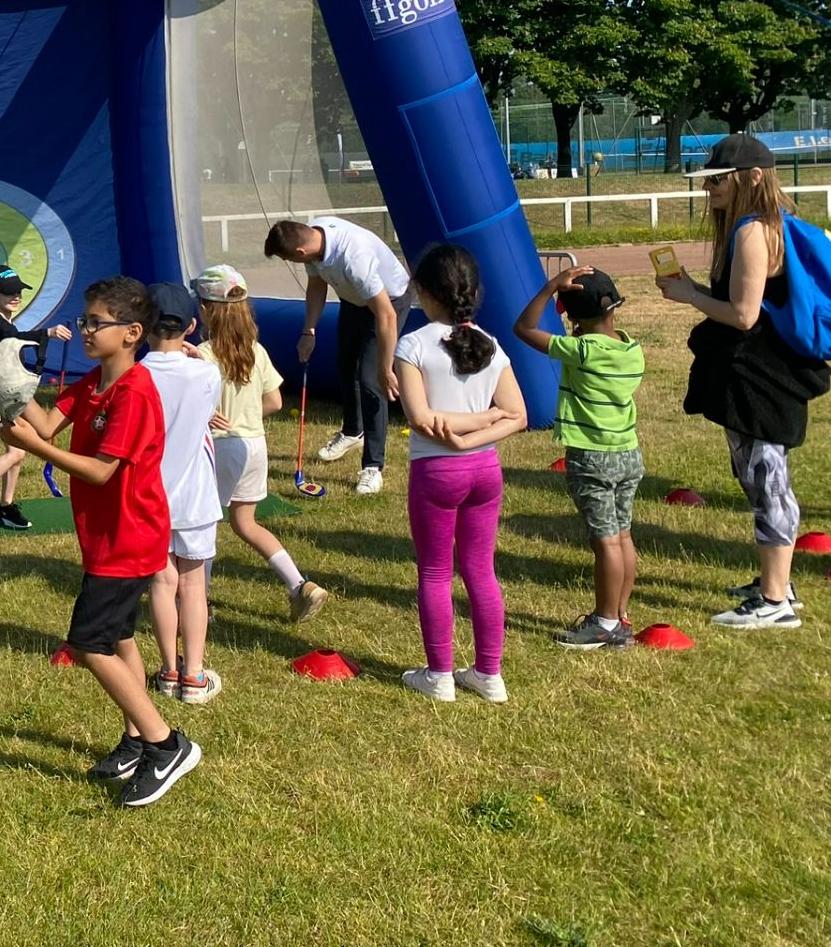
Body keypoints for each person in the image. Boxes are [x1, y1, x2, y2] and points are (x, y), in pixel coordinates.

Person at [0, 276, 203, 807]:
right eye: (85, 320)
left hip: (131, 537)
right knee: (117, 639)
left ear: (132, 332)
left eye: (96, 322)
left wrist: (36, 450)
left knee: (88, 644)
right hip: (104, 536)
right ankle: (136, 740)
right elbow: (44, 424)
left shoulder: (134, 393)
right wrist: (10, 400)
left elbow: (100, 472)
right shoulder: (91, 384)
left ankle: (166, 744)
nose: (86, 330)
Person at [658, 133, 831, 630]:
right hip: (758, 373)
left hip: (763, 376)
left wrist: (690, 294)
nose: (708, 187)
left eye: (717, 179)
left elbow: (742, 314)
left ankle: (776, 601)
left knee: (767, 480)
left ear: (752, 178)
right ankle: (775, 584)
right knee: (759, 476)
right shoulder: (755, 227)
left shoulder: (754, 231)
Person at [393, 244, 528, 703]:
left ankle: (439, 675)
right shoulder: (491, 344)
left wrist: (461, 434)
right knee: (480, 571)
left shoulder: (413, 345)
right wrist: (483, 425)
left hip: (437, 472)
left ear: (424, 291)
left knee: (434, 572)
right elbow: (517, 414)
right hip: (485, 471)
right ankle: (490, 674)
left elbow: (420, 417)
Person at [513, 266, 645, 649]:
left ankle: (603, 623)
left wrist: (550, 286)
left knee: (604, 542)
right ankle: (619, 616)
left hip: (593, 458)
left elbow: (523, 328)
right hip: (627, 454)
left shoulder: (581, 350)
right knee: (622, 536)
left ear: (569, 315)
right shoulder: (632, 349)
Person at [192, 264, 330, 623]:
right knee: (245, 522)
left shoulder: (201, 355)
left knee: (204, 526)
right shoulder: (256, 350)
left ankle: (198, 606)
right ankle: (300, 584)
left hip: (220, 447)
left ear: (207, 310)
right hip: (255, 445)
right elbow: (274, 402)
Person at [262, 216, 412, 495]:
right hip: (354, 301)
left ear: (299, 253)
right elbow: (317, 286)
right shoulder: (313, 242)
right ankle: (353, 432)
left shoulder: (354, 257)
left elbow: (386, 316)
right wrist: (309, 331)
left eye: (289, 260)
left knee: (371, 381)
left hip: (388, 303)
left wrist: (385, 366)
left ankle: (372, 466)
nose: (293, 264)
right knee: (345, 366)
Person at [138, 282, 226, 705]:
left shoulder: (135, 374)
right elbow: (208, 409)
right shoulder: (208, 373)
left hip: (147, 495)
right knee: (193, 585)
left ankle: (168, 670)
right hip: (194, 495)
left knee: (161, 581)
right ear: (191, 326)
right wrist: (196, 354)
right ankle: (194, 674)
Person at [0, 264, 71, 533]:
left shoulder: (6, 322)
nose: (16, 296)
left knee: (17, 452)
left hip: (9, 398)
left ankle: (6, 507)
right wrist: (47, 334)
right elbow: (15, 338)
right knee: (17, 451)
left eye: (18, 291)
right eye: (8, 293)